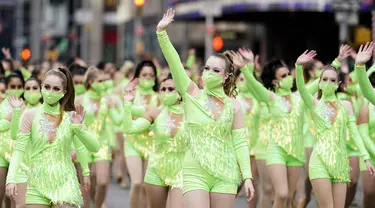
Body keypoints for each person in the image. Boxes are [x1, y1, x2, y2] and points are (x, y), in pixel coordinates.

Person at [157, 9, 254, 208]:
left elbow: (240, 143)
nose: (209, 72)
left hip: (225, 172)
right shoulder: (191, 93)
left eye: (216, 70)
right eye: (207, 68)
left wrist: (248, 177)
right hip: (195, 170)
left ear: (226, 76)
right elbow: (174, 62)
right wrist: (162, 33)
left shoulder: (234, 106)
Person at [5, 67, 100, 207]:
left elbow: (94, 147)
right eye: (47, 87)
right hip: (37, 182)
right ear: (42, 87)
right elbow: (19, 150)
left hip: (65, 182)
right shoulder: (30, 115)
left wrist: (78, 129)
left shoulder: (70, 116)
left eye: (56, 89)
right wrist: (11, 179)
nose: (50, 92)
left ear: (63, 93)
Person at [295, 50, 375, 208]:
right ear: (319, 83)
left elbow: (354, 133)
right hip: (319, 162)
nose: (328, 83)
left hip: (340, 163)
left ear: (338, 84)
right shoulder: (314, 103)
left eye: (332, 80)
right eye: (324, 79)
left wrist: (366, 157)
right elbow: (302, 89)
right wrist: (298, 67)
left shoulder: (346, 106)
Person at [123, 75, 187, 208]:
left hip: (181, 173)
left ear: (180, 93)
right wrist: (128, 104)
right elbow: (130, 129)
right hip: (156, 171)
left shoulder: (192, 113)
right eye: (162, 89)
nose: (166, 92)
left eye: (171, 89)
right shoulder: (155, 112)